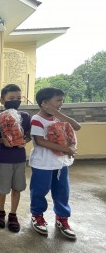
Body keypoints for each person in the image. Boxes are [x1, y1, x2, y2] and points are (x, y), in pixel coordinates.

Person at [29, 87, 81, 239]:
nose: (61, 103)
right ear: (44, 103)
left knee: (62, 191)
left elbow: (76, 128)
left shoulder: (59, 118)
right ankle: (37, 215)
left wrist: (71, 147)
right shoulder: (37, 120)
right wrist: (65, 148)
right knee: (39, 191)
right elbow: (40, 141)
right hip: (43, 164)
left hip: (61, 164)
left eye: (62, 100)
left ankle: (62, 218)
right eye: (58, 100)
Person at [0, 84, 31, 232]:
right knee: (2, 188)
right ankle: (0, 211)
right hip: (4, 158)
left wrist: (24, 141)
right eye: (11, 98)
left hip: (19, 158)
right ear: (2, 100)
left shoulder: (25, 117)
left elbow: (29, 134)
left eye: (18, 98)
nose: (15, 101)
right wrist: (4, 141)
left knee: (17, 188)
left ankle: (13, 214)